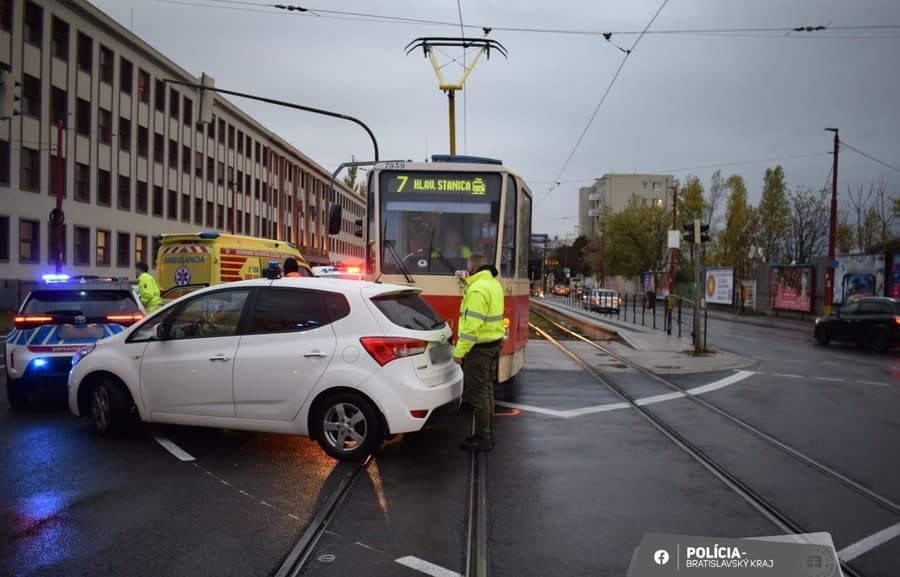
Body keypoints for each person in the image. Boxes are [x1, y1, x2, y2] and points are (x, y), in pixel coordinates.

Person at [454, 252, 505, 451]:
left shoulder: (476, 289)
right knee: (487, 390)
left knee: (478, 394)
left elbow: (471, 328)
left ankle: (483, 437)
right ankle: (488, 433)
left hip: (479, 349)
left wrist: (459, 353)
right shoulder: (494, 284)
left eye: (468, 267)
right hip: (492, 345)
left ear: (472, 268)